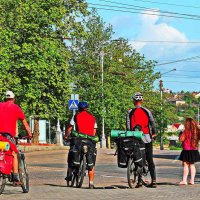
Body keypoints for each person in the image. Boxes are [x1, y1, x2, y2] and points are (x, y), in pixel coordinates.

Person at [0, 91, 32, 186]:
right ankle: (15, 177)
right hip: (7, 136)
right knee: (14, 153)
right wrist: (29, 134)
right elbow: (25, 123)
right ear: (13, 99)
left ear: (4, 99)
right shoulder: (16, 108)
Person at [126, 92, 157, 188]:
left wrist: (129, 134)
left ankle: (139, 182)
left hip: (134, 137)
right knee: (149, 159)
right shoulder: (147, 111)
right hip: (146, 137)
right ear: (142, 101)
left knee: (137, 158)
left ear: (134, 101)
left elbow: (128, 125)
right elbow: (152, 123)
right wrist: (154, 133)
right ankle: (154, 180)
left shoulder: (130, 111)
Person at [64, 101, 97, 189]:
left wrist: (66, 136)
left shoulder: (75, 116)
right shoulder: (93, 118)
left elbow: (70, 128)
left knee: (71, 154)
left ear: (79, 108)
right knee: (91, 162)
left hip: (79, 140)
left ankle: (70, 174)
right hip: (89, 141)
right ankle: (91, 183)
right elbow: (94, 131)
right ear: (87, 108)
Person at [179, 117, 200, 185]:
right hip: (194, 150)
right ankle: (192, 180)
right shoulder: (197, 131)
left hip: (186, 150)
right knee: (192, 164)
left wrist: (181, 132)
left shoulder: (185, 131)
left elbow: (181, 139)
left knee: (185, 164)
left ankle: (184, 180)